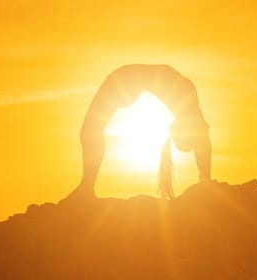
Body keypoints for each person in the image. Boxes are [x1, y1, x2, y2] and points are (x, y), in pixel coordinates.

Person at [76, 64, 211, 199]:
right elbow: (203, 142)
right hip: (125, 79)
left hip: (124, 79)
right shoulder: (187, 99)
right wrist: (206, 178)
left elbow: (202, 141)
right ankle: (86, 187)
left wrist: (206, 177)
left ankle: (86, 187)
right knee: (89, 131)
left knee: (89, 131)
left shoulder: (186, 100)